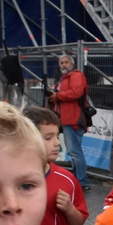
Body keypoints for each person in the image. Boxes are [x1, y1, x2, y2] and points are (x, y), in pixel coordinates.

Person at [20, 107, 88, 225]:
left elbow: (78, 223)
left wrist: (69, 209)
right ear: (26, 139)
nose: (57, 143)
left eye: (57, 136)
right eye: (48, 138)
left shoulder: (67, 179)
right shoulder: (9, 179)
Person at [46, 53, 89, 190]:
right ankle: (79, 180)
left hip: (73, 117)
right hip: (67, 117)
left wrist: (57, 96)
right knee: (74, 151)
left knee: (75, 151)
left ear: (72, 63)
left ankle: (82, 182)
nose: (63, 65)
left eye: (66, 62)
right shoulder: (64, 78)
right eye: (61, 63)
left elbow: (76, 92)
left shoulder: (76, 76)